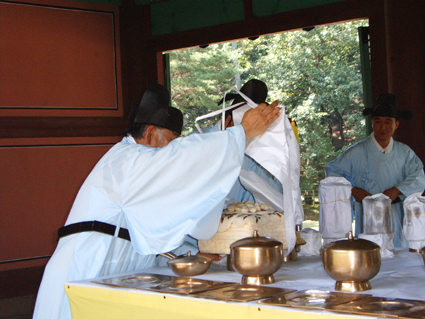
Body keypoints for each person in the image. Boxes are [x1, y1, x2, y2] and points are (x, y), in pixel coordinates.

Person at [32, 84, 281, 319]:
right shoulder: (127, 161)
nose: (172, 149)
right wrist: (242, 133)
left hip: (109, 276)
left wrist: (191, 251)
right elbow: (183, 160)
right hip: (83, 270)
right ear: (150, 133)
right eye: (171, 140)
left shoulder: (139, 168)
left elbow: (154, 223)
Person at [325, 93, 425, 248]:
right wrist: (352, 189)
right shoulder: (357, 152)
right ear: (372, 123)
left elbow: (419, 176)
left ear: (396, 124)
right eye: (378, 122)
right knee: (369, 255)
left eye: (388, 122)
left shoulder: (405, 153)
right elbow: (332, 171)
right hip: (367, 219)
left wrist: (397, 190)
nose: (383, 127)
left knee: (400, 261)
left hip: (396, 217)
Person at [203, 79, 284, 204]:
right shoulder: (199, 144)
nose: (253, 132)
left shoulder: (261, 148)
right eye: (248, 125)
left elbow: (276, 197)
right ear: (228, 121)